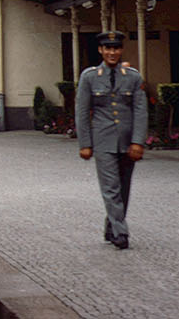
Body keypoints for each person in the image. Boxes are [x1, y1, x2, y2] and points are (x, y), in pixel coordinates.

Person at [75, 30, 147, 250]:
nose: (112, 52)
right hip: (103, 140)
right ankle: (121, 233)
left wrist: (138, 141)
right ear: (101, 50)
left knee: (124, 188)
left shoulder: (133, 77)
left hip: (128, 140)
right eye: (108, 48)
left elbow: (140, 110)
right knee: (111, 188)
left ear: (121, 50)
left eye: (116, 48)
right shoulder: (89, 77)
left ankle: (111, 226)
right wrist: (85, 144)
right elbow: (82, 110)